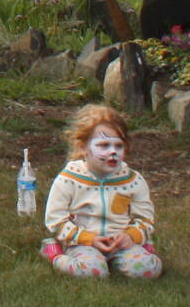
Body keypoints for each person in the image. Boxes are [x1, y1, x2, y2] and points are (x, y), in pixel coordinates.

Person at [43, 105, 162, 280]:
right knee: (92, 272)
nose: (112, 151)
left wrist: (131, 236)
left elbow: (145, 218)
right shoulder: (69, 179)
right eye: (104, 145)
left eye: (118, 146)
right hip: (81, 243)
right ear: (83, 147)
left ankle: (143, 251)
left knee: (148, 270)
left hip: (121, 243)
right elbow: (55, 219)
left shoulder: (132, 181)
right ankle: (54, 254)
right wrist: (87, 238)